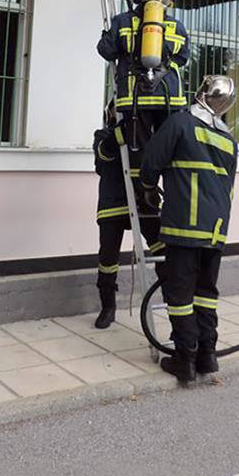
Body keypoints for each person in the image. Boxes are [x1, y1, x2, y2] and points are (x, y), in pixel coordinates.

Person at [139, 75, 239, 385]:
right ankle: (207, 355)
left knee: (179, 294)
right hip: (216, 228)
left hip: (185, 225)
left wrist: (148, 189)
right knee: (206, 293)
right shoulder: (229, 140)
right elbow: (229, 187)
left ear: (203, 93)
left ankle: (185, 360)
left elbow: (150, 163)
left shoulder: (180, 123)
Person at [97, 0, 190, 152]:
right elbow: (182, 58)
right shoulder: (177, 27)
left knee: (139, 150)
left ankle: (131, 165)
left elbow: (106, 51)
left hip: (134, 98)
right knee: (167, 149)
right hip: (170, 98)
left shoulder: (123, 22)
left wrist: (107, 35)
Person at [93, 102, 165, 329]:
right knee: (107, 259)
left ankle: (173, 296)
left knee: (164, 250)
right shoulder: (102, 135)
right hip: (112, 205)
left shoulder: (145, 137)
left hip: (144, 204)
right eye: (118, 110)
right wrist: (119, 134)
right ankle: (108, 308)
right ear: (110, 114)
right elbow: (102, 159)